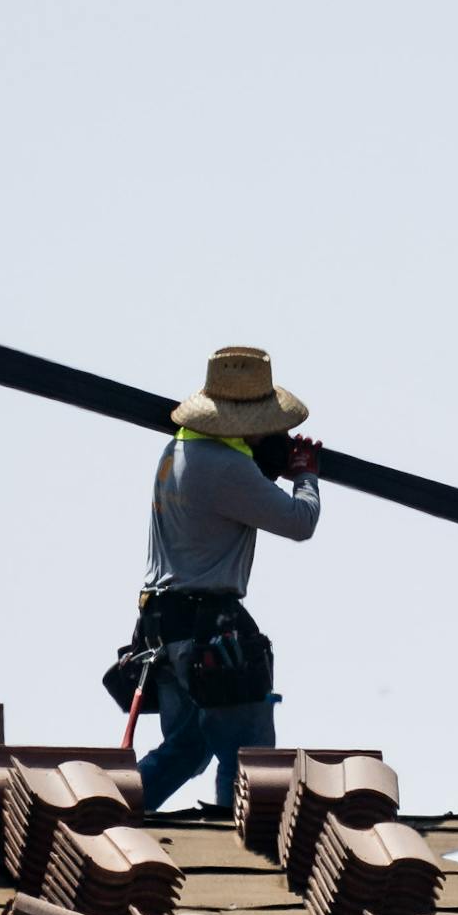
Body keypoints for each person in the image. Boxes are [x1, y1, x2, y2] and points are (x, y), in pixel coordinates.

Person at [127, 345, 319, 814]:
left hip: (165, 627)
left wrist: (262, 469)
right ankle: (244, 844)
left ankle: (113, 813)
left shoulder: (178, 449)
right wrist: (305, 476)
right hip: (209, 629)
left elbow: (226, 498)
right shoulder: (227, 467)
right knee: (249, 758)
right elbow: (300, 522)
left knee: (186, 748)